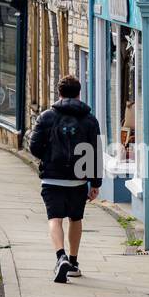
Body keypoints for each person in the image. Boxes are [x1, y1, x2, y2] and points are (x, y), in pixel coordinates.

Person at [28, 75, 102, 283]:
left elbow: (34, 147)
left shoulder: (46, 117)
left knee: (55, 219)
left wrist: (48, 157)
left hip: (52, 179)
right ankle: (74, 262)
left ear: (59, 94)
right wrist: (95, 183)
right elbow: (96, 153)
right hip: (78, 181)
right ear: (79, 93)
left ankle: (60, 257)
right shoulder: (89, 120)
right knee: (75, 219)